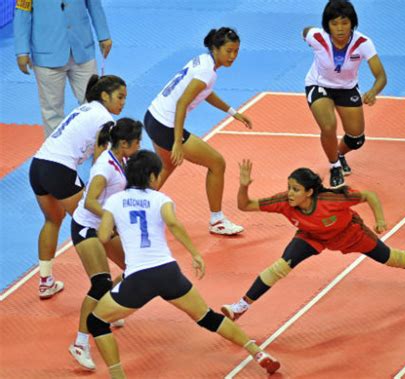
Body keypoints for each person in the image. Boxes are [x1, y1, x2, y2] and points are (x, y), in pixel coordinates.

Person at [86, 151, 280, 378]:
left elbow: (102, 236)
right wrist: (195, 253)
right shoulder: (161, 199)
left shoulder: (114, 201)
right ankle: (257, 352)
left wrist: (118, 227)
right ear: (151, 176)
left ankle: (118, 376)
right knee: (207, 317)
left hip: (138, 278)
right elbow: (174, 224)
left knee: (96, 322)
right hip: (169, 272)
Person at [221, 160, 405, 321]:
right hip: (312, 236)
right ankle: (240, 307)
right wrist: (243, 186)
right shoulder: (285, 202)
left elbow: (369, 195)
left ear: (309, 192)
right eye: (289, 187)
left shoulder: (331, 200)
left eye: (295, 189)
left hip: (351, 234)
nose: (290, 193)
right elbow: (245, 205)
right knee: (280, 267)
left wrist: (380, 220)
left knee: (392, 259)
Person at [144, 27, 251, 236]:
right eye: (229, 51)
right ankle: (217, 220)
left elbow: (205, 92)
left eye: (236, 51)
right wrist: (177, 141)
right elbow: (183, 103)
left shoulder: (203, 61)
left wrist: (232, 112)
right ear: (216, 48)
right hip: (166, 125)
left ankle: (136, 208)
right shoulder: (206, 71)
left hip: (152, 117)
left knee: (166, 165)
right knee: (217, 163)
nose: (233, 56)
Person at [29, 74, 127, 300]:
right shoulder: (105, 120)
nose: (123, 102)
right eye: (119, 97)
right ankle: (123, 274)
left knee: (53, 220)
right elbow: (102, 163)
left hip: (38, 166)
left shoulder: (85, 108)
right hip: (59, 171)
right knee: (94, 222)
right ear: (105, 95)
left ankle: (45, 281)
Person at [68, 118, 142, 370]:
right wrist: (116, 219)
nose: (139, 145)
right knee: (100, 283)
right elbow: (89, 202)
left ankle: (108, 308)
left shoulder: (122, 159)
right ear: (123, 143)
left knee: (134, 267)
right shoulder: (104, 168)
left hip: (106, 225)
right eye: (137, 142)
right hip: (88, 226)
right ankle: (80, 342)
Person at [302, 0, 387, 188]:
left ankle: (338, 154)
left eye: (344, 22)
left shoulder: (363, 43)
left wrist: (373, 91)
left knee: (356, 139)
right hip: (319, 85)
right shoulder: (317, 37)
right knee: (328, 126)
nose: (340, 28)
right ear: (327, 25)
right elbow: (306, 31)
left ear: (352, 23)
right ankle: (334, 166)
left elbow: (381, 76)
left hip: (347, 88)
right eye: (334, 23)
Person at [14, 0, 113, 138]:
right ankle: (55, 152)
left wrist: (104, 35)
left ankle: (100, 145)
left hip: (82, 47)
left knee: (94, 103)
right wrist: (21, 51)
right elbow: (22, 12)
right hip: (46, 52)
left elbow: (94, 3)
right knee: (52, 111)